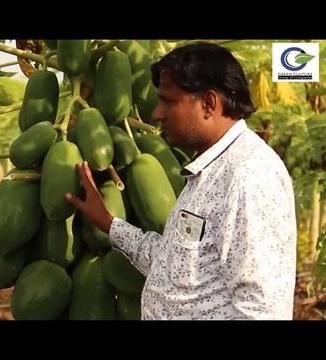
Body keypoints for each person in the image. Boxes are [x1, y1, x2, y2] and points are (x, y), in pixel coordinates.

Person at [65, 42, 296, 320]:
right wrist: (110, 224)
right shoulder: (209, 170)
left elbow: (260, 310)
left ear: (209, 103)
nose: (156, 113)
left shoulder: (247, 176)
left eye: (169, 101)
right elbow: (172, 262)